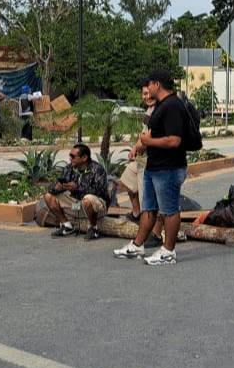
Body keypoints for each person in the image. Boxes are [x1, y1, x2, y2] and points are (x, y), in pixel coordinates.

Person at [113, 68, 189, 266]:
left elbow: (174, 140)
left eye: (150, 85)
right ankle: (138, 245)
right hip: (153, 167)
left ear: (157, 85)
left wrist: (148, 141)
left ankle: (168, 251)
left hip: (168, 168)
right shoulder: (162, 105)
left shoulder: (172, 106)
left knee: (170, 210)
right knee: (149, 208)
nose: (147, 89)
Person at [41, 143, 110, 239]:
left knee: (87, 199)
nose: (70, 158)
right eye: (70, 156)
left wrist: (77, 187)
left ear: (84, 157)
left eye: (73, 156)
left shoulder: (97, 169)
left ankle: (94, 228)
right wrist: (57, 188)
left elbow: (99, 191)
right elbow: (52, 188)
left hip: (96, 207)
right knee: (48, 196)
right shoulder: (69, 168)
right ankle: (67, 226)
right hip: (77, 206)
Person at [117, 78, 155, 225]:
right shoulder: (149, 110)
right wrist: (134, 149)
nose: (147, 97)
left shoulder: (159, 110)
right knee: (127, 180)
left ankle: (149, 227)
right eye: (144, 94)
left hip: (148, 160)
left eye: (149, 93)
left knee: (146, 197)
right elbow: (143, 134)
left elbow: (147, 138)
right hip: (139, 157)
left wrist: (139, 146)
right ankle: (136, 212)